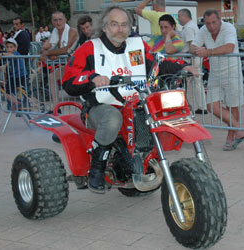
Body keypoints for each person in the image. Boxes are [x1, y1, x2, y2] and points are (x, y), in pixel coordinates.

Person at [62, 6, 198, 194]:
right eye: (114, 24)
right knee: (112, 119)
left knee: (160, 112)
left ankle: (143, 161)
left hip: (136, 103)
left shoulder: (137, 45)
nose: (120, 29)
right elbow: (69, 81)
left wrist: (183, 67)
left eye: (124, 24)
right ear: (104, 26)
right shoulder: (89, 48)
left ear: (130, 26)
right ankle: (97, 168)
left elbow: (157, 63)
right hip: (101, 107)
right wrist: (92, 78)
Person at [191, 9, 244, 151]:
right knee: (211, 106)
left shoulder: (229, 28)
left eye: (214, 22)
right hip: (215, 73)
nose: (211, 26)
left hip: (232, 72)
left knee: (233, 106)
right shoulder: (203, 30)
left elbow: (230, 47)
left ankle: (231, 137)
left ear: (220, 20)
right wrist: (195, 49)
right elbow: (193, 45)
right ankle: (239, 130)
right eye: (208, 23)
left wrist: (206, 52)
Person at [40, 11, 78, 111]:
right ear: (52, 22)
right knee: (52, 76)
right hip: (69, 65)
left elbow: (65, 49)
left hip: (80, 65)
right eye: (55, 20)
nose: (58, 22)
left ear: (65, 20)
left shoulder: (72, 31)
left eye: (60, 19)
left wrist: (49, 53)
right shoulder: (54, 33)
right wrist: (48, 53)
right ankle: (56, 107)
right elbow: (44, 47)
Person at [178, 8, 208, 115]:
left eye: (179, 16)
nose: (178, 18)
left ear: (185, 16)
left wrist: (188, 61)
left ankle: (186, 106)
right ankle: (202, 106)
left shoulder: (189, 28)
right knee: (197, 83)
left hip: (191, 59)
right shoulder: (192, 26)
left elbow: (192, 45)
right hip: (194, 58)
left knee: (187, 84)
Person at [0, 38, 26, 109]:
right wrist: (4, 66)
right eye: (7, 47)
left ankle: (17, 103)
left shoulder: (16, 53)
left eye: (11, 47)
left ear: (15, 47)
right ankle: (14, 104)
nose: (9, 48)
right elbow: (9, 62)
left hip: (16, 76)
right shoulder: (10, 55)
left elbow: (13, 56)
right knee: (12, 90)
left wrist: (2, 54)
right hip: (17, 75)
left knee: (6, 93)